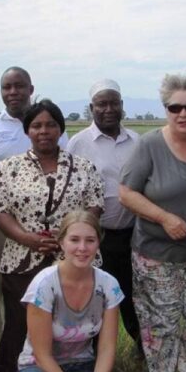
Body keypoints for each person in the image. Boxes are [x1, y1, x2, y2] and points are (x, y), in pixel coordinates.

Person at [0, 99, 104, 372]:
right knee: (21, 321)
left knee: (72, 321)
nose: (44, 131)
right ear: (27, 131)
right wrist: (28, 238)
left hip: (75, 259)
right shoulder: (9, 167)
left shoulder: (83, 167)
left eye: (50, 125)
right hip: (22, 258)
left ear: (60, 129)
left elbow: (95, 205)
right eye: (36, 125)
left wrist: (68, 241)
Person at [119, 74, 186, 372]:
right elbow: (126, 193)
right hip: (156, 252)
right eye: (175, 108)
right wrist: (164, 218)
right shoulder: (149, 145)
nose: (183, 114)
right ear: (165, 109)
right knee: (161, 319)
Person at [13, 210, 134, 372]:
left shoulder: (108, 285)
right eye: (74, 240)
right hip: (40, 369)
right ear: (61, 242)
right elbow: (42, 355)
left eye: (90, 240)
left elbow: (106, 349)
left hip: (83, 366)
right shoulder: (44, 284)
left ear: (98, 243)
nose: (82, 248)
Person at [0, 67, 68, 335]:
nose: (13, 92)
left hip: (54, 226)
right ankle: (9, 344)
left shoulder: (55, 127)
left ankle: (55, 343)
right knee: (7, 286)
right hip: (3, 225)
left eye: (19, 86)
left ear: (31, 89)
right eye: (7, 87)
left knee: (55, 284)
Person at [67, 79, 141, 347]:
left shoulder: (137, 141)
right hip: (98, 237)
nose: (108, 109)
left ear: (122, 106)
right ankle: (94, 355)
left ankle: (143, 352)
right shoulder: (77, 144)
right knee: (96, 298)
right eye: (102, 104)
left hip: (134, 235)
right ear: (91, 108)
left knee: (135, 298)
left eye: (114, 103)